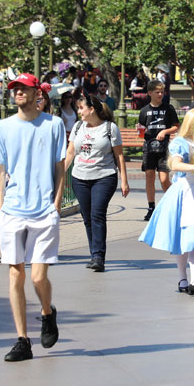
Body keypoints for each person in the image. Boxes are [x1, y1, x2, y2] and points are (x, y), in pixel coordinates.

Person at [0, 73, 67, 362]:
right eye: (14, 89)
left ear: (38, 93)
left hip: (44, 210)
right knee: (15, 274)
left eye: (23, 88)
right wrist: (0, 210)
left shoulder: (54, 125)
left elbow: (61, 168)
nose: (18, 92)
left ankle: (47, 312)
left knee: (37, 277)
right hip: (12, 210)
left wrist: (56, 204)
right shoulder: (3, 127)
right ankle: (22, 339)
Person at [139, 108, 194, 294]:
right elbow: (175, 164)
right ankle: (182, 278)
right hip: (184, 193)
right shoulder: (180, 143)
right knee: (182, 238)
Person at [65, 93, 129, 271]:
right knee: (87, 218)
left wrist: (124, 180)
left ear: (91, 109)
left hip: (104, 176)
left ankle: (99, 257)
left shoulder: (110, 128)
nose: (79, 111)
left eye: (81, 108)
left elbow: (119, 156)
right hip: (80, 177)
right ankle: (94, 253)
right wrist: (60, 174)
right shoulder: (78, 127)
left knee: (97, 214)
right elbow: (70, 153)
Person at [138, 80, 180, 221]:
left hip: (163, 147)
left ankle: (174, 203)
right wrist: (140, 130)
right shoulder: (144, 111)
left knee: (163, 179)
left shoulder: (169, 109)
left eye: (162, 92)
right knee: (149, 176)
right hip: (149, 148)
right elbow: (141, 130)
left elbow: (176, 126)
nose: (160, 94)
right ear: (150, 93)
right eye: (157, 92)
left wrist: (165, 131)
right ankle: (151, 207)